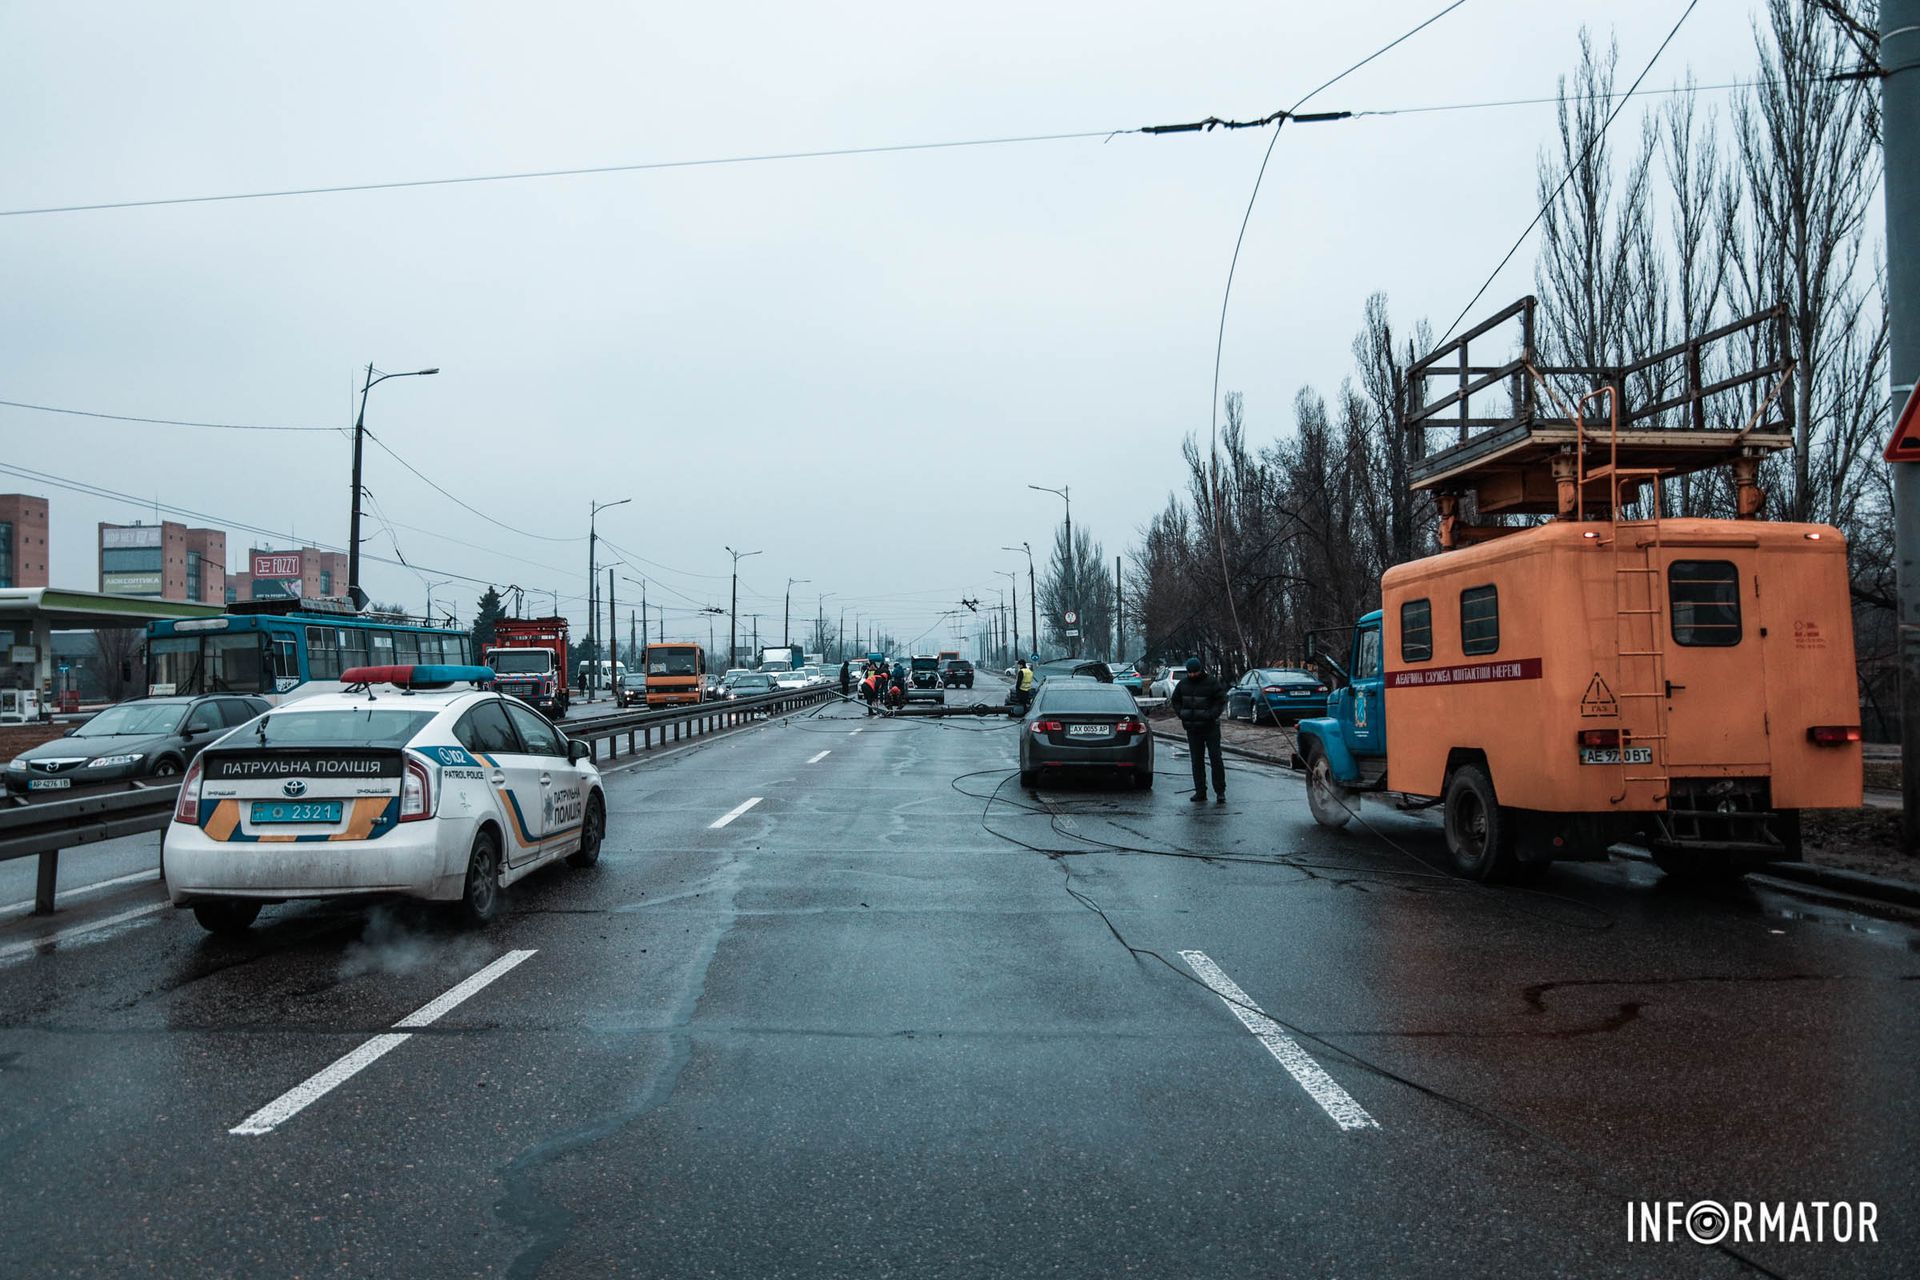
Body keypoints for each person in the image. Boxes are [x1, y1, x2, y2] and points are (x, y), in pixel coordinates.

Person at [1169, 656, 1228, 803]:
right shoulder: (1183, 684)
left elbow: (1221, 700)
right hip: (1192, 728)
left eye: (1194, 672)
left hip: (1210, 727)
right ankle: (1200, 791)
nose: (1192, 675)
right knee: (1196, 761)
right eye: (1190, 672)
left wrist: (1212, 714)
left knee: (1215, 758)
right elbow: (1175, 700)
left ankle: (1220, 791)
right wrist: (1182, 713)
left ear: (1200, 670)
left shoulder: (1211, 682)